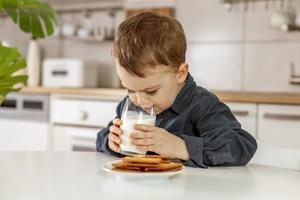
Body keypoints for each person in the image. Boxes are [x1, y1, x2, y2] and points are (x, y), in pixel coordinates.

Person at [96, 12, 257, 168]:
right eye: (130, 90)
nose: (140, 101)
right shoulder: (130, 105)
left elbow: (241, 146)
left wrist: (180, 147)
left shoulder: (202, 106)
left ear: (180, 74)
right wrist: (111, 142)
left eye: (151, 91)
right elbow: (101, 138)